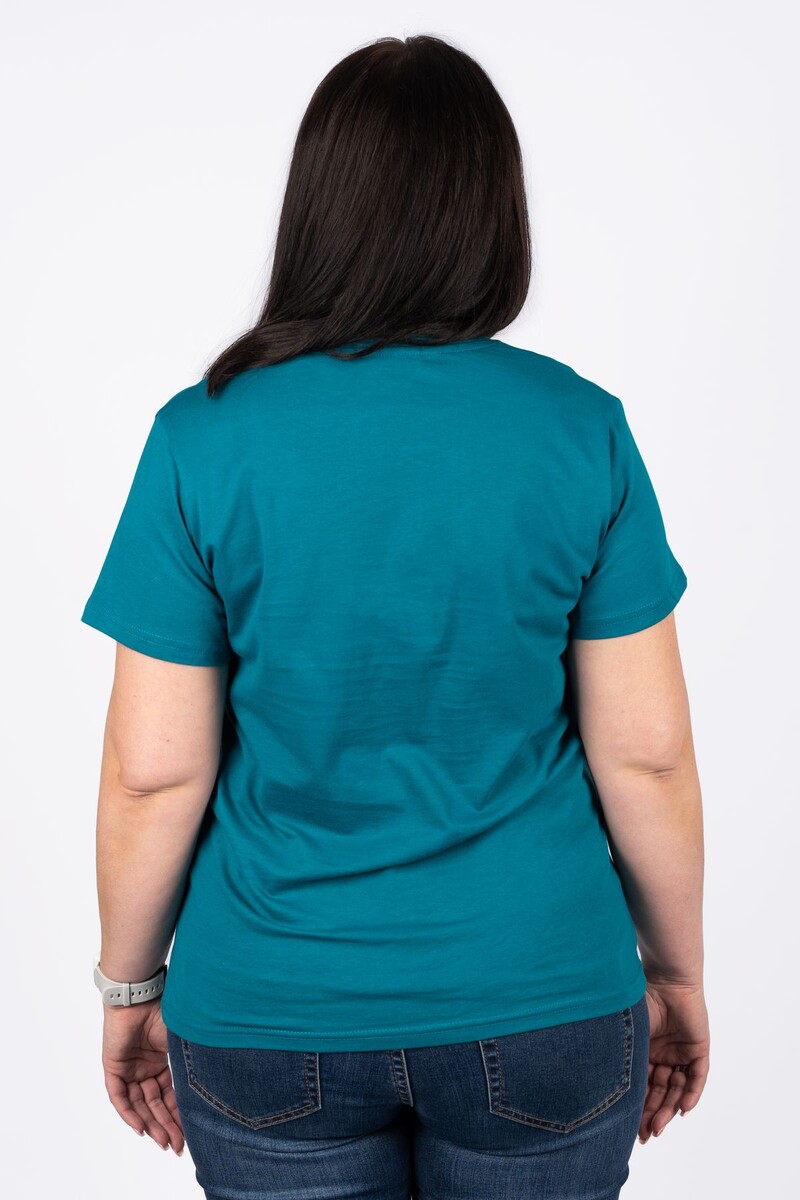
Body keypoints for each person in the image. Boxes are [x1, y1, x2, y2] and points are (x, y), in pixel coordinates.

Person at [81, 32, 709, 1200]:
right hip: (543, 996)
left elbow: (152, 774)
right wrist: (673, 973)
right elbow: (648, 756)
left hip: (269, 1010)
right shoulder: (579, 429)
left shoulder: (200, 439)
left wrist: (129, 988)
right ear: (492, 213)